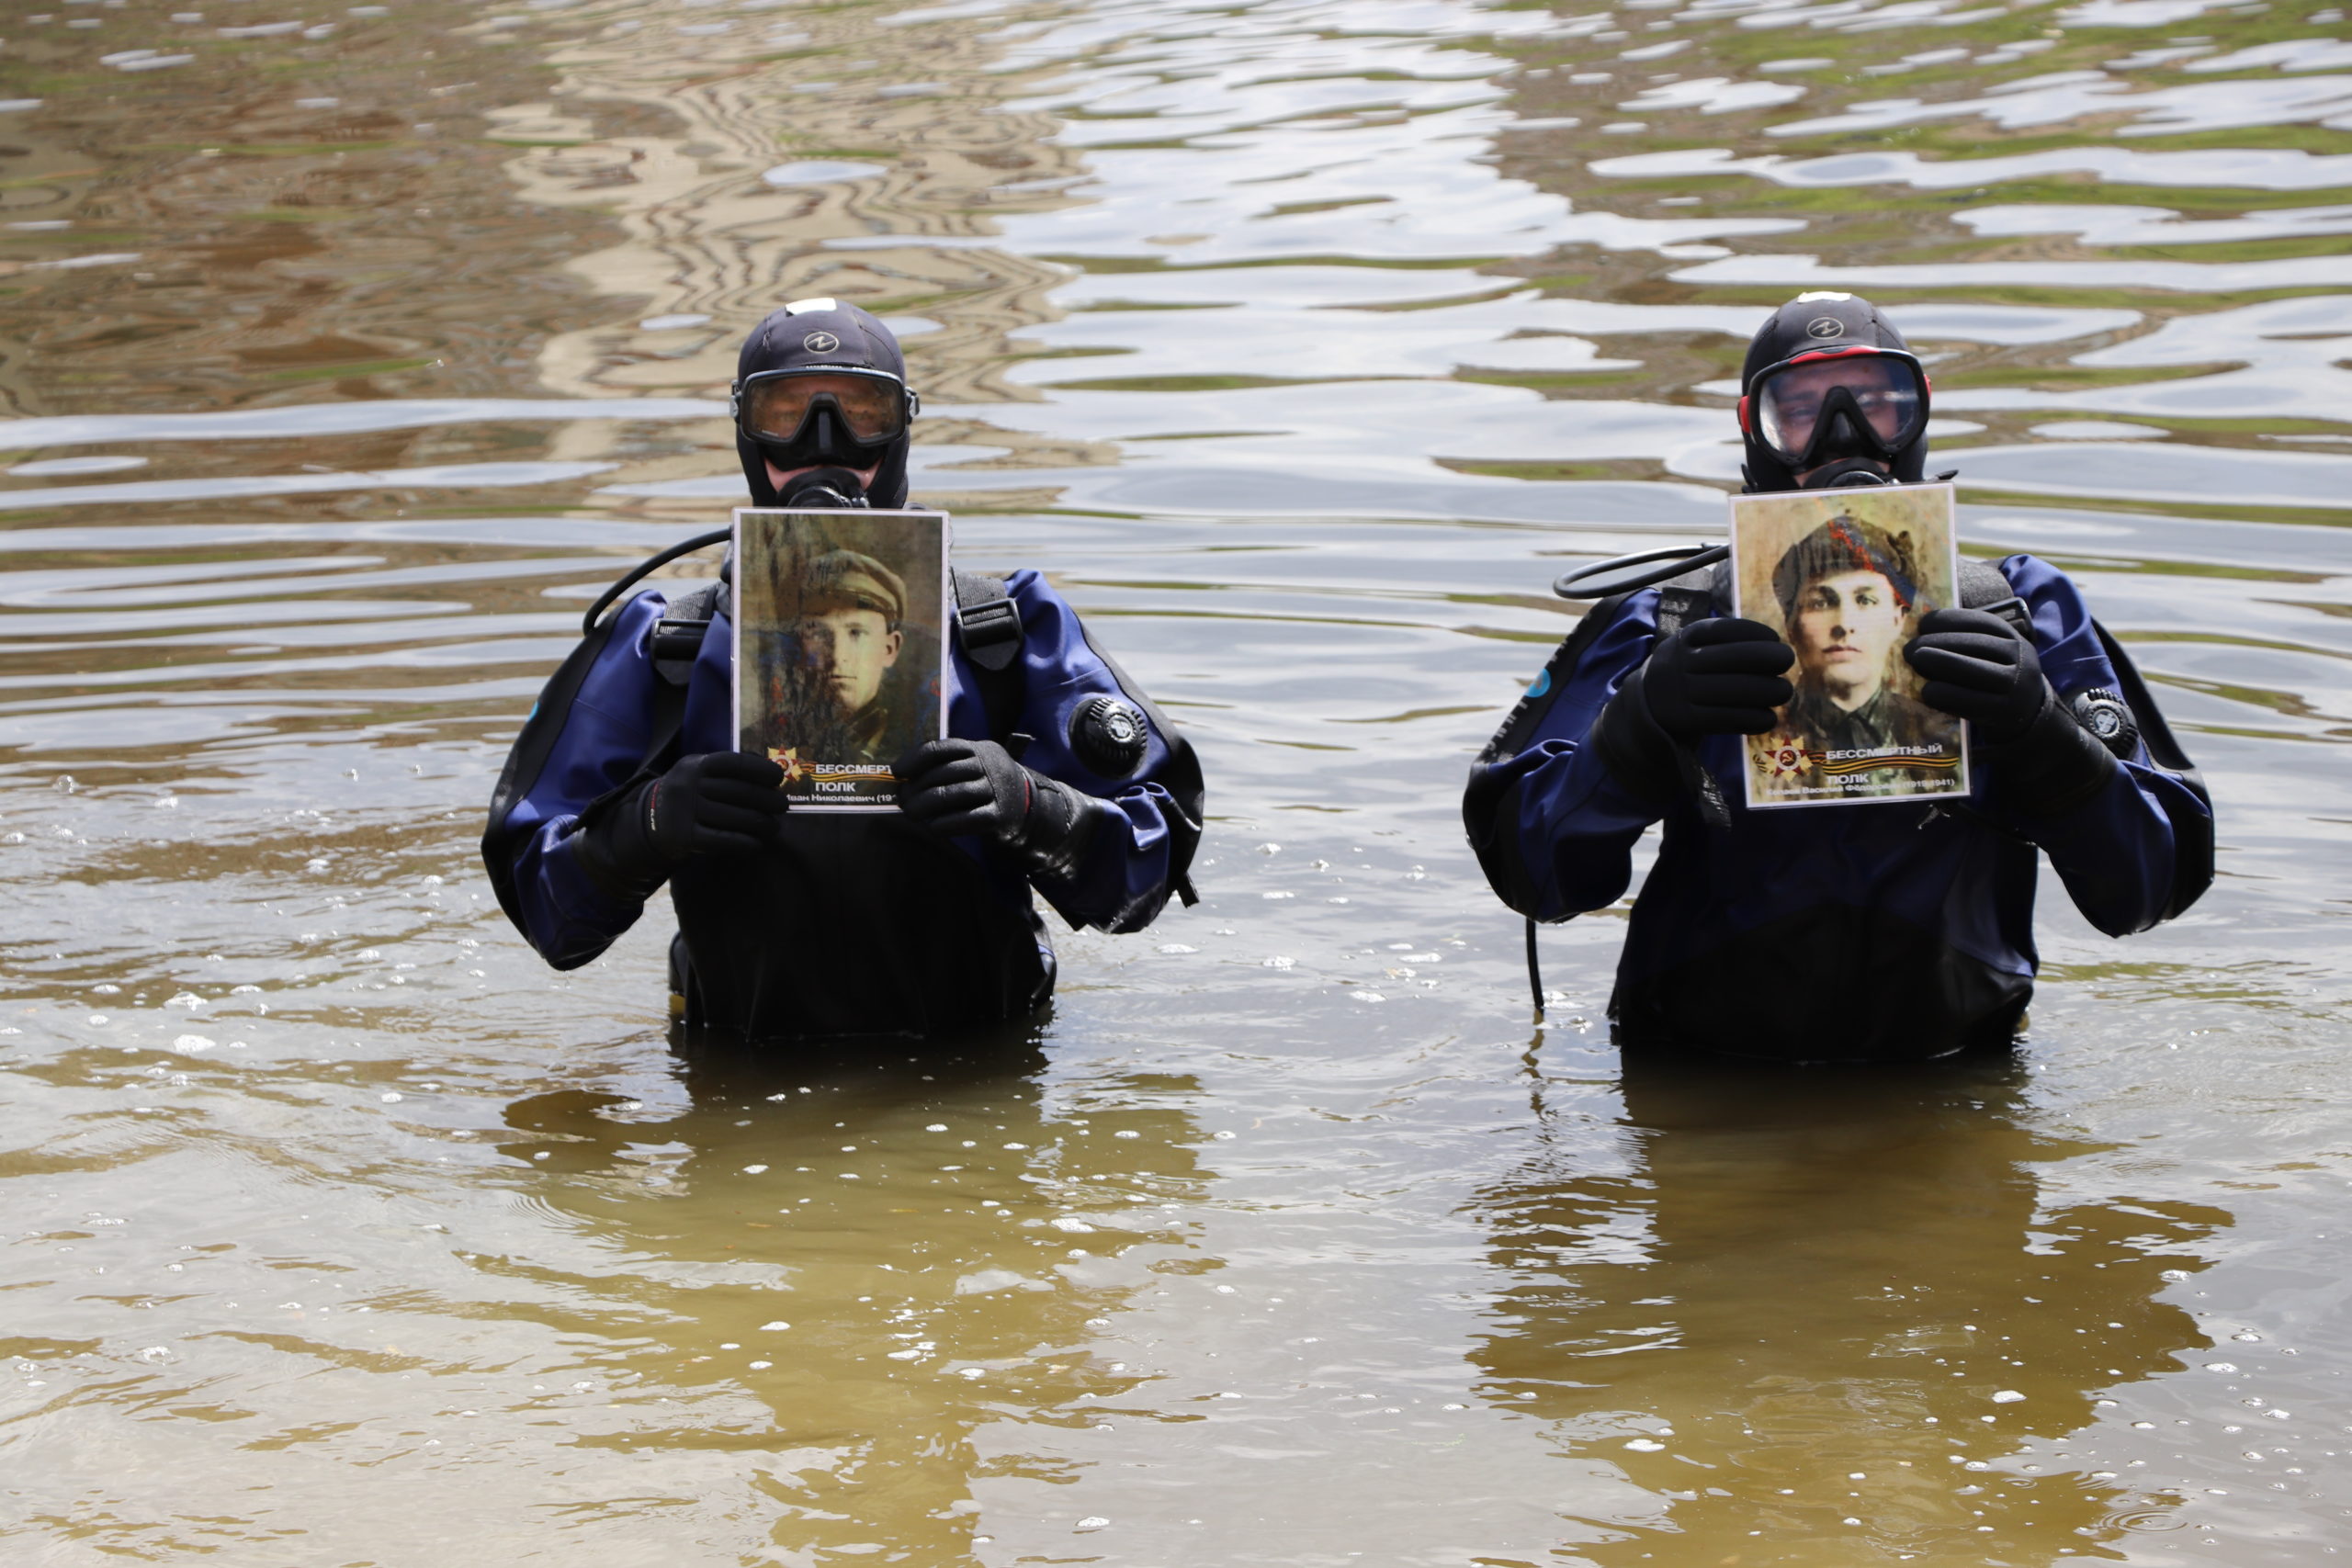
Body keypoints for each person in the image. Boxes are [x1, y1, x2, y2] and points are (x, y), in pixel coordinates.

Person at [1463, 290, 2214, 1062]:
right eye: (1800, 413)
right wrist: (1638, 730)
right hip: (1702, 1076)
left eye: (1880, 407)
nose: (1844, 439)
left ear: (1920, 417)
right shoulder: (1670, 623)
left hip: (1956, 1080)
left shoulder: (2022, 612)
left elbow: (2148, 892)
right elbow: (1532, 876)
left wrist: (2043, 734)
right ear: (1754, 431)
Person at [483, 299, 1204, 1041]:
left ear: (902, 427)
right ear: (743, 429)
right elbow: (550, 920)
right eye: (785, 413)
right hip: (742, 1074)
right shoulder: (666, 649)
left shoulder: (1009, 635)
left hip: (980, 1074)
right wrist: (648, 826)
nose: (822, 446)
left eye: (860, 412)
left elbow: (1147, 877)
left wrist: (1032, 806)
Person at [1765, 512, 1958, 795]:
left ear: (1898, 619)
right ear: (1792, 625)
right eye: (1820, 603)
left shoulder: (1943, 735)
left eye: (1865, 600)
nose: (1844, 624)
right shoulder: (1757, 737)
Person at [750, 547, 911, 767]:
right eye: (817, 634)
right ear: (797, 645)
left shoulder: (920, 742)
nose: (837, 656)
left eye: (856, 633)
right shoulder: (755, 743)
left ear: (889, 649)